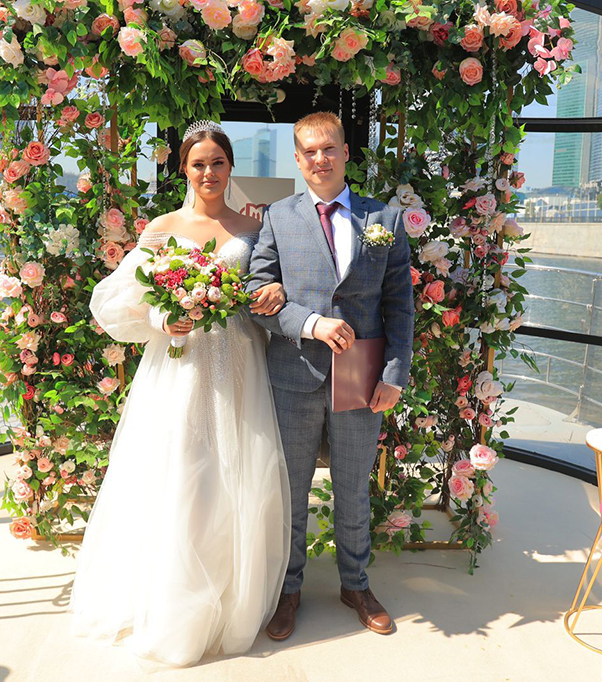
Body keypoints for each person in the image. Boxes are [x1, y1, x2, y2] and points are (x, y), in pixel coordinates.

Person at [70, 121, 291, 667]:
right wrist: (160, 317)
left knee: (237, 471)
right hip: (182, 365)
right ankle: (176, 600)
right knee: (183, 471)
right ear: (183, 168)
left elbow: (271, 287)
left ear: (230, 166)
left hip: (239, 362)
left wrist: (273, 291)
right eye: (198, 163)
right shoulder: (164, 228)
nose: (209, 172)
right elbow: (117, 297)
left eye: (218, 162)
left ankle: (231, 593)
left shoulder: (255, 227)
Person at [247, 112, 415, 640]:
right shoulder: (278, 217)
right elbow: (256, 295)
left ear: (345, 153)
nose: (319, 159)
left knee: (353, 489)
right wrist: (310, 323)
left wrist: (394, 374)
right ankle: (288, 590)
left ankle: (356, 585)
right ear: (298, 160)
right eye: (309, 152)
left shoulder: (383, 218)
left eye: (329, 149)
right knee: (291, 491)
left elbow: (399, 304)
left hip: (361, 377)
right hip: (293, 374)